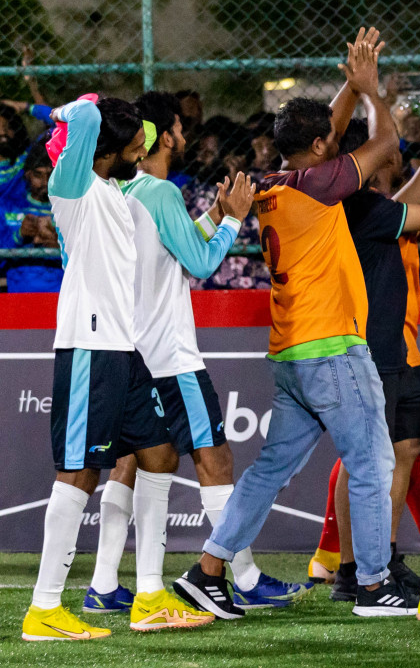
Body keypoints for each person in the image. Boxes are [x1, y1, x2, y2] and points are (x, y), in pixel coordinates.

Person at [173, 29, 413, 621]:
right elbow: (385, 144)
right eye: (329, 140)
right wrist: (370, 91)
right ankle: (375, 583)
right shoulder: (318, 186)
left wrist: (347, 92)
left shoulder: (273, 185)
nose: (335, 143)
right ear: (317, 146)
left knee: (269, 471)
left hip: (292, 354)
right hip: (332, 351)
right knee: (373, 464)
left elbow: (322, 135)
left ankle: (207, 571)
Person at [82, 93, 307, 615]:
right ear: (163, 135)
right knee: (216, 459)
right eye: (181, 128)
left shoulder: (125, 190)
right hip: (171, 356)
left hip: (130, 353)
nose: (186, 136)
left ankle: (101, 584)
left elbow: (171, 249)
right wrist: (234, 220)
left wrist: (214, 213)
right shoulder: (159, 192)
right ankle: (243, 577)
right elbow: (200, 263)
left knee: (128, 466)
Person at [23, 95, 207, 641]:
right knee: (80, 471)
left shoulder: (111, 189)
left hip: (124, 351)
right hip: (88, 347)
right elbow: (81, 117)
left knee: (160, 452)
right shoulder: (72, 185)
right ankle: (44, 608)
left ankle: (149, 595)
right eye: (134, 145)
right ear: (108, 149)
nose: (143, 149)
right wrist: (53, 108)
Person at [314, 113, 420, 607]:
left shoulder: (375, 204)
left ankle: (382, 560)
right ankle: (353, 572)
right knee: (364, 459)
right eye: (383, 139)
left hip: (398, 346)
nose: (395, 142)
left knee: (405, 448)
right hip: (370, 348)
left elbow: (404, 204)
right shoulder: (355, 206)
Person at [1, 145, 62, 292]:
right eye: (38, 175)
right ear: (28, 175)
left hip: (58, 289)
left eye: (50, 175)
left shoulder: (66, 210)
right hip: (20, 289)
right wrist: (20, 234)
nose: (45, 182)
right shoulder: (12, 208)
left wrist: (57, 245)